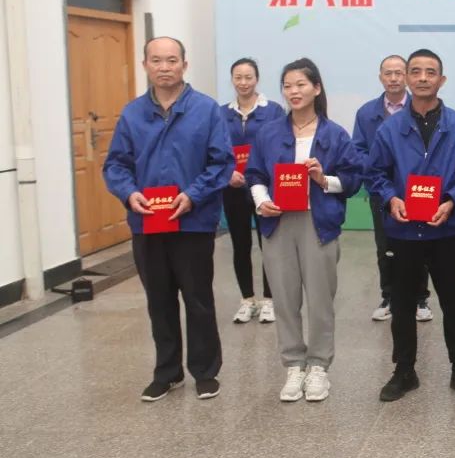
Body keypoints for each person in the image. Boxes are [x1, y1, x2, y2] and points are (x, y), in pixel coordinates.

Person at [103, 36, 231, 402]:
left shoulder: (206, 110)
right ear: (145, 65)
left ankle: (205, 371)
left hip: (193, 221)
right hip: (148, 222)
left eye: (171, 60)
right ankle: (167, 372)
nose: (164, 67)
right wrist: (129, 193)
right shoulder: (132, 114)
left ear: (184, 65)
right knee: (158, 299)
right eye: (156, 60)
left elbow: (221, 163)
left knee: (198, 298)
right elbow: (115, 165)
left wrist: (192, 195)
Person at [367, 49, 455, 402]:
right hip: (403, 233)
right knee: (402, 306)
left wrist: (452, 201)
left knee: (454, 303)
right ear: (406, 78)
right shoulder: (390, 129)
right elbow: (375, 173)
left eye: (430, 72)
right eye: (415, 71)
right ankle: (404, 371)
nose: (422, 78)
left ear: (441, 80)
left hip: (446, 231)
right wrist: (392, 198)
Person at [246, 58, 364, 402]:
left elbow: (353, 180)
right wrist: (261, 200)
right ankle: (293, 364)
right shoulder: (269, 132)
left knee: (320, 300)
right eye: (287, 85)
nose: (293, 91)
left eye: (300, 84)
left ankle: (318, 366)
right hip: (278, 223)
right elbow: (255, 174)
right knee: (284, 299)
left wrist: (323, 179)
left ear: (316, 88)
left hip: (318, 224)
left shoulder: (334, 134)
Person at [352, 55, 433, 323]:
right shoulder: (366, 113)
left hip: (417, 190)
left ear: (407, 76)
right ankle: (388, 296)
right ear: (381, 77)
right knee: (385, 245)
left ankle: (420, 299)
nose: (394, 78)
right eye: (388, 73)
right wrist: (375, 167)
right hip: (380, 190)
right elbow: (358, 150)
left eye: (399, 73)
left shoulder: (422, 108)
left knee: (419, 244)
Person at [222, 58, 285, 324]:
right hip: (233, 189)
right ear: (232, 80)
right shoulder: (221, 113)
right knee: (240, 245)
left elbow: (280, 146)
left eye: (248, 77)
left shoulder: (273, 111)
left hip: (265, 189)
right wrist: (227, 173)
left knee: (267, 244)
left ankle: (269, 300)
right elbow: (216, 149)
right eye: (238, 77)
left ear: (257, 79)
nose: (243, 82)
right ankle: (247, 299)